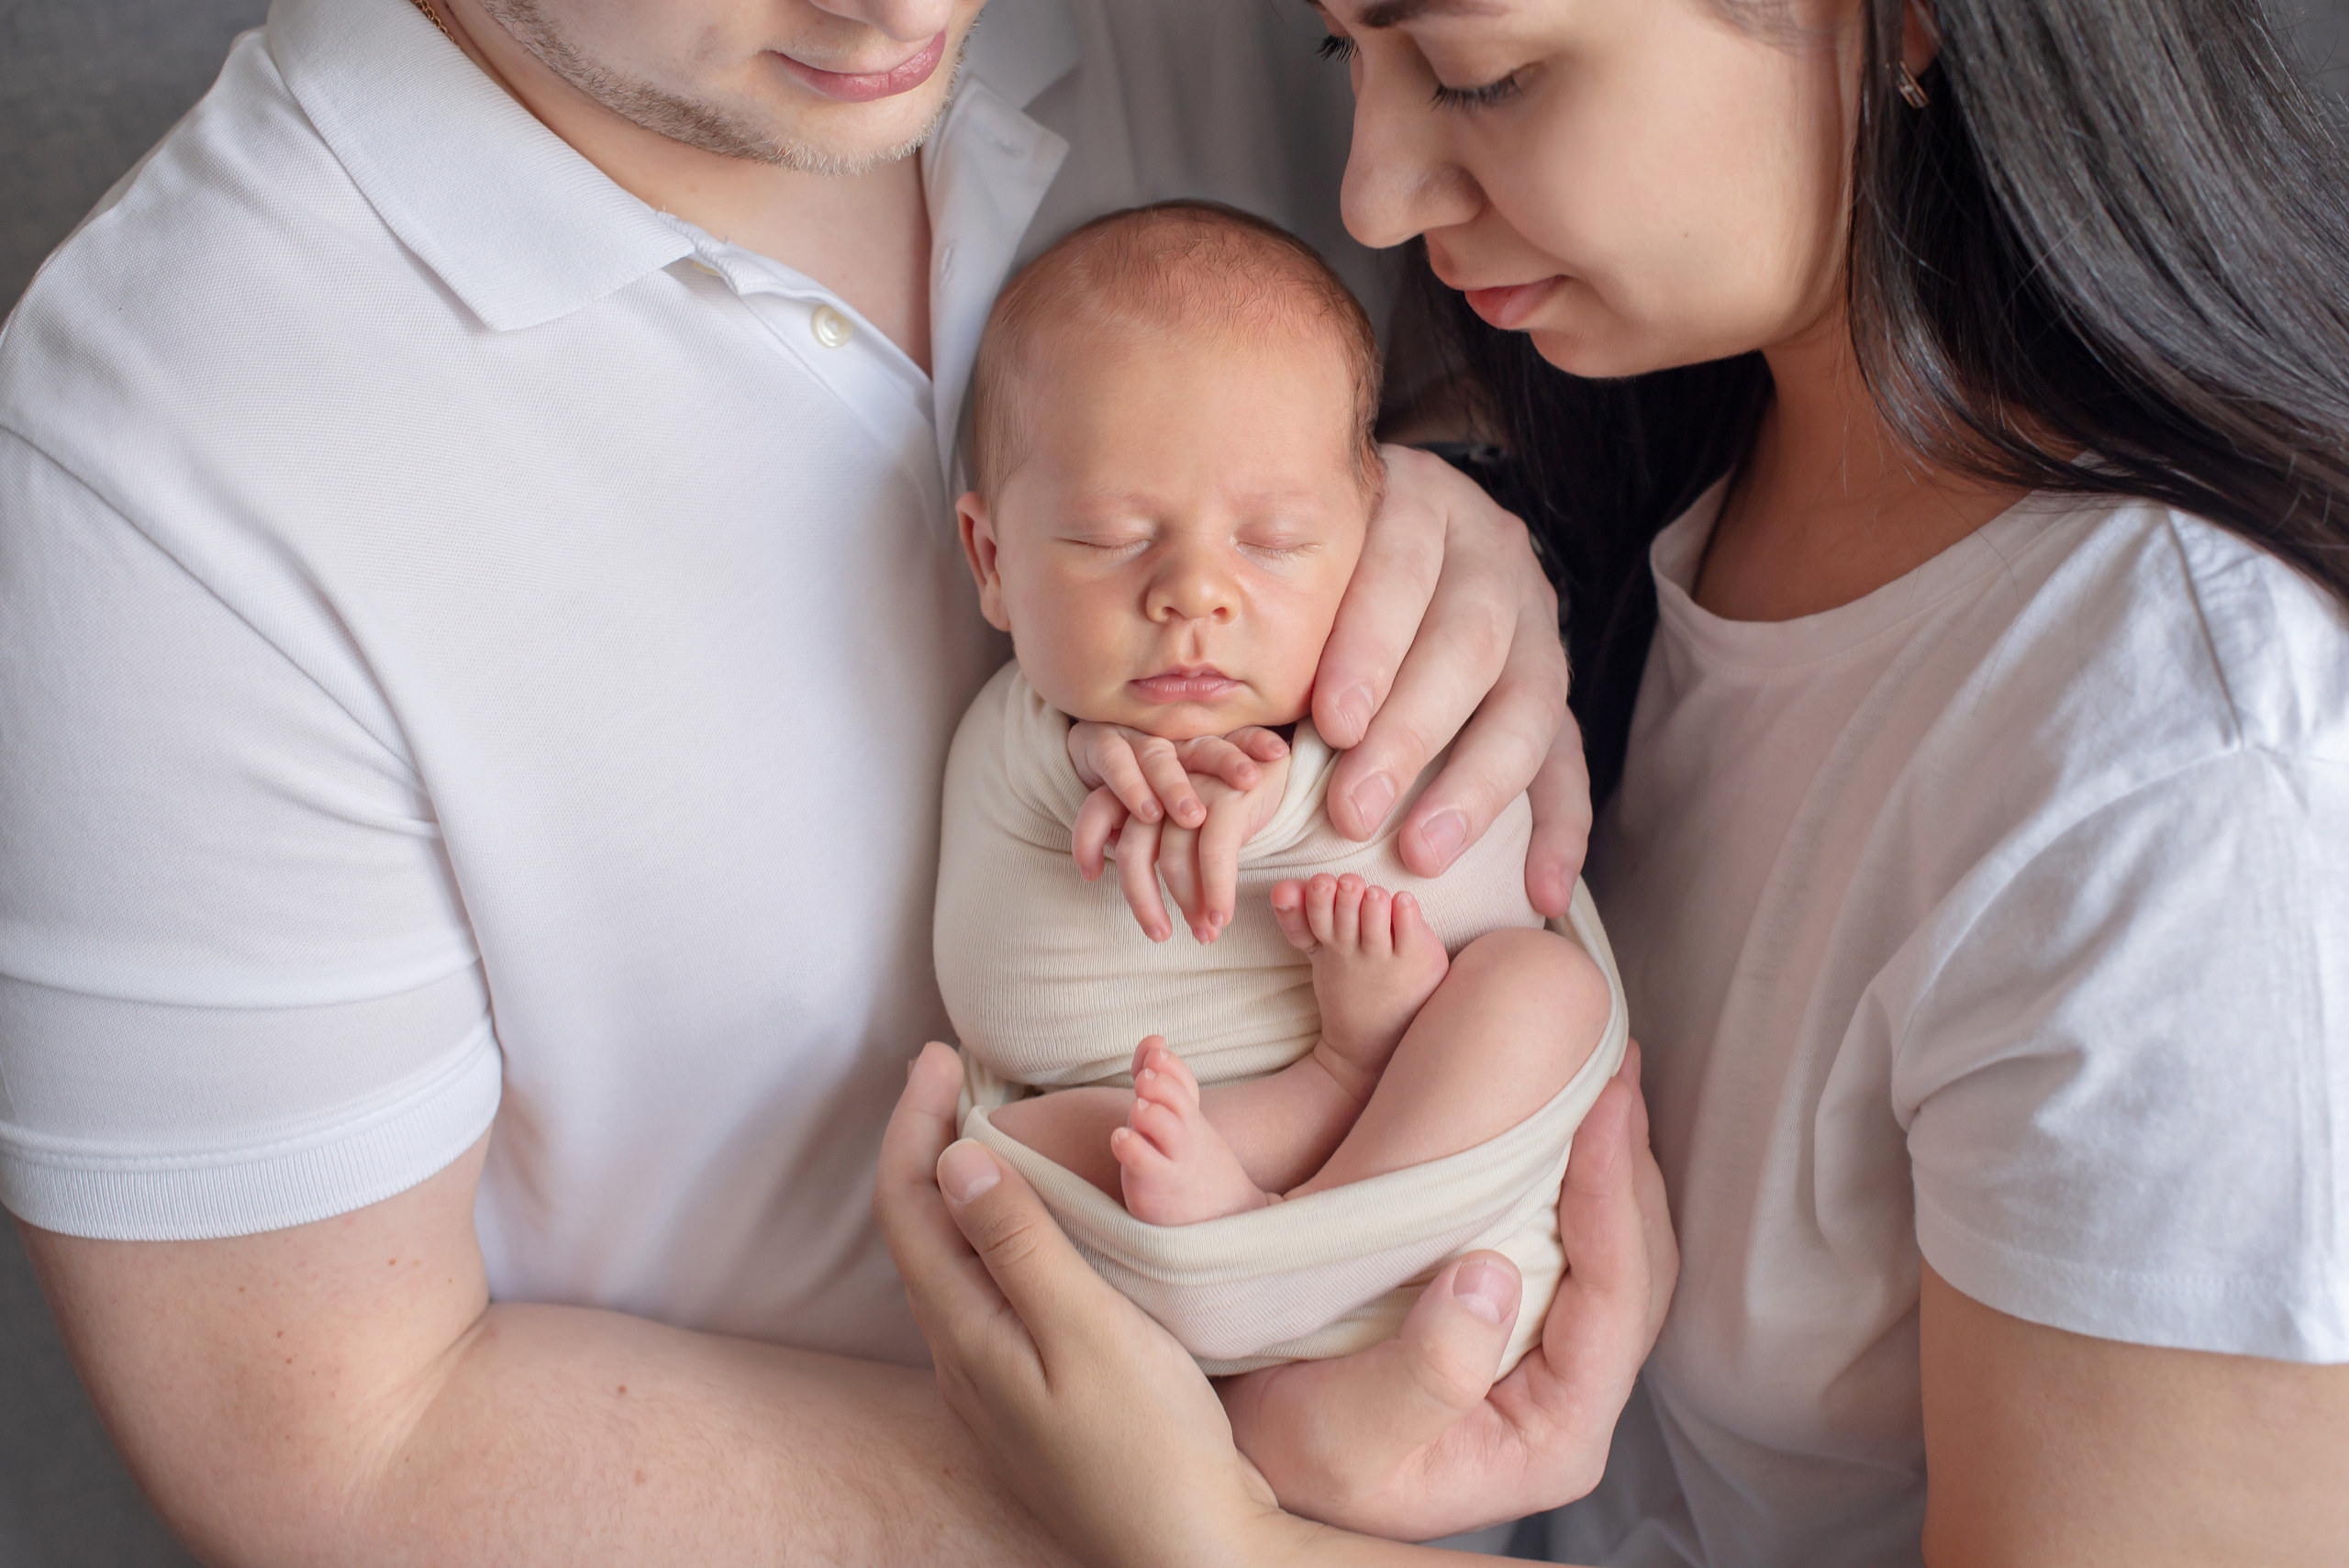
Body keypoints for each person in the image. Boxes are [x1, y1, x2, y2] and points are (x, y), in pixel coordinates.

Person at [0, 0, 1630, 1561]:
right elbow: (333, 1448)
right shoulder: (155, 463)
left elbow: (1459, 369)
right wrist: (1233, 1519)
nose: (903, 14)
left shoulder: (1237, 33)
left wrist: (1458, 520)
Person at [880, 0, 2349, 1561]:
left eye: (1479, 76)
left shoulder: (2186, 793)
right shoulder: (1659, 466)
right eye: (1346, 62)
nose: (1371, 195)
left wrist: (1234, 1542)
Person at [932, 201, 1621, 1386]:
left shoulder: (1391, 691)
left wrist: (1295, 794)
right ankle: (1276, 1189)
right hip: (1151, 1201)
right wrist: (1090, 762)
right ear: (990, 560)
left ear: (1376, 531)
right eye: (1106, 538)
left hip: (1422, 1218)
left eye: (1276, 539)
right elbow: (1001, 990)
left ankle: (1286, 1224)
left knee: (1543, 992)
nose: (1194, 592)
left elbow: (1499, 872)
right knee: (1002, 1135)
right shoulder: (1013, 741)